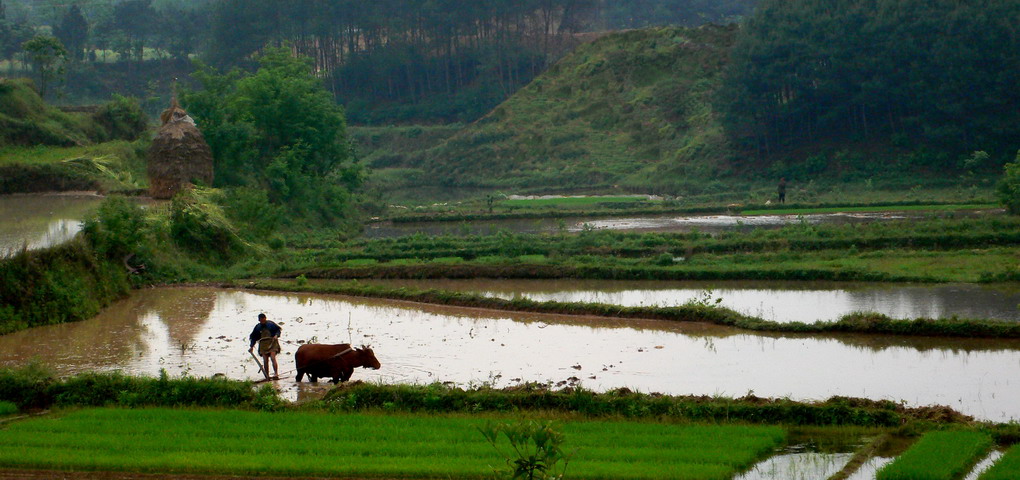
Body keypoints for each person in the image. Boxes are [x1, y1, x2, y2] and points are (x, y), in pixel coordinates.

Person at [248, 313, 282, 379]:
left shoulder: (271, 324)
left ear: (265, 318)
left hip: (272, 343)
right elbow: (253, 337)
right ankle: (267, 375)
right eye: (261, 320)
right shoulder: (257, 327)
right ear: (259, 320)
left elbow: (278, 330)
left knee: (272, 358)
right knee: (265, 360)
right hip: (263, 345)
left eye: (263, 320)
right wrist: (251, 346)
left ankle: (276, 373)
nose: (262, 321)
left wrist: (276, 335)